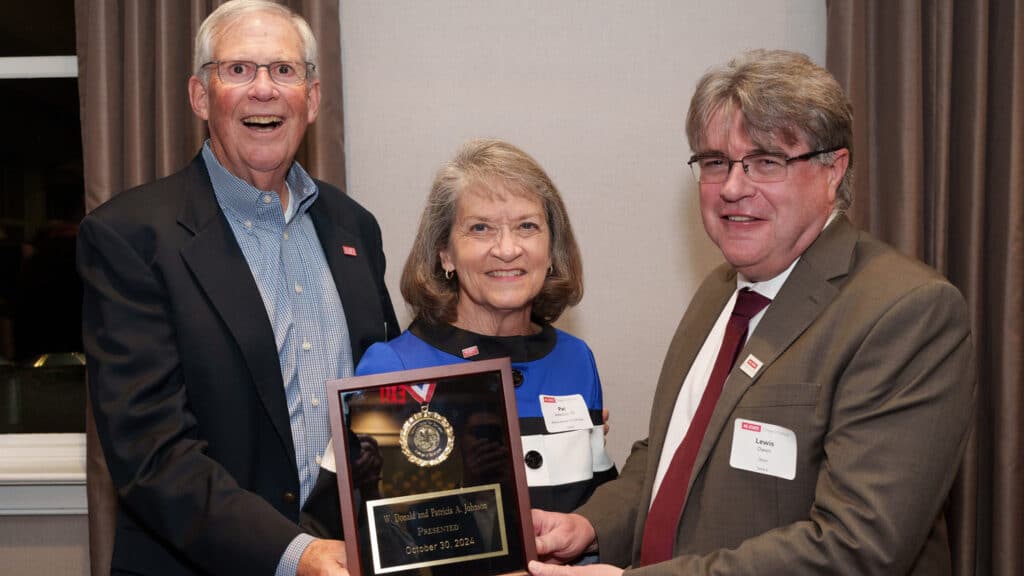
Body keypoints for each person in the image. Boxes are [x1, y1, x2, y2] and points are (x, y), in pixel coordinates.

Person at [529, 49, 974, 576]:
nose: (734, 187)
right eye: (715, 162)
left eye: (767, 161)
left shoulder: (906, 312)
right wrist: (593, 526)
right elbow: (670, 451)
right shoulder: (721, 291)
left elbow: (858, 547)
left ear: (834, 170)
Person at [77, 1, 398, 574]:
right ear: (200, 96)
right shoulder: (130, 237)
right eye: (239, 70)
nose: (264, 90)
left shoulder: (355, 229)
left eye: (283, 70)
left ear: (313, 98)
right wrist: (294, 555)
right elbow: (151, 453)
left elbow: (385, 400)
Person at [306, 139, 616, 535]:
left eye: (527, 226)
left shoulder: (575, 360)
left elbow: (600, 522)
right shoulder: (390, 368)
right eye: (481, 228)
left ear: (552, 248)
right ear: (445, 254)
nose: (507, 249)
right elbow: (333, 537)